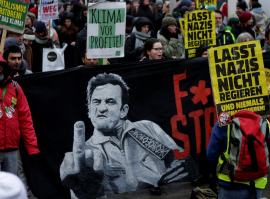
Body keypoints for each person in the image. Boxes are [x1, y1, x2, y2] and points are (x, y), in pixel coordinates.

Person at [60, 73, 198, 198]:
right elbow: (81, 191)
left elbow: (180, 161)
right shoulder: (87, 155)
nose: (101, 108)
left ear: (123, 110)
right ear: (89, 110)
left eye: (110, 101)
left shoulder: (146, 129)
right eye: (96, 102)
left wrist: (183, 167)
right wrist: (84, 194)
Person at [0, 55, 39, 175]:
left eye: (0, 67)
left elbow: (26, 120)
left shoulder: (15, 88)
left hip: (12, 150)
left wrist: (32, 148)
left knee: (11, 189)